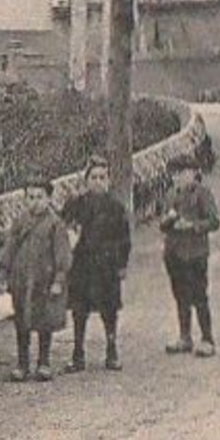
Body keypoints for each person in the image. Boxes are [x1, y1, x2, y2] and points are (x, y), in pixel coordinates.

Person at [61, 156, 132, 373]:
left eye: (102, 177)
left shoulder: (116, 207)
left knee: (109, 309)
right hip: (81, 264)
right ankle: (78, 353)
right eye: (94, 177)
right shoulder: (75, 205)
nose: (98, 182)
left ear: (108, 180)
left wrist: (121, 264)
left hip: (106, 266)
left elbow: (124, 239)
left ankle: (111, 351)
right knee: (79, 309)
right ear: (86, 180)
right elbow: (65, 231)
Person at [0, 178, 73, 382]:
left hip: (44, 280)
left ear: (49, 198)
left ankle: (44, 362)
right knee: (21, 322)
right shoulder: (20, 221)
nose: (35, 202)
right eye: (30, 197)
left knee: (44, 322)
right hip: (21, 280)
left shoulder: (55, 224)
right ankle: (23, 363)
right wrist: (3, 274)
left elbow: (63, 255)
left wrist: (59, 279)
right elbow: (9, 249)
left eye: (40, 197)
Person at [160, 152, 220, 358]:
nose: (180, 177)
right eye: (176, 173)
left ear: (194, 173)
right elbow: (163, 224)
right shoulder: (170, 194)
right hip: (174, 252)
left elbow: (213, 221)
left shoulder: (202, 194)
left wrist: (193, 226)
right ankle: (184, 336)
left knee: (199, 295)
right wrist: (169, 221)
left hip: (195, 252)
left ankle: (207, 338)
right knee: (180, 296)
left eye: (184, 173)